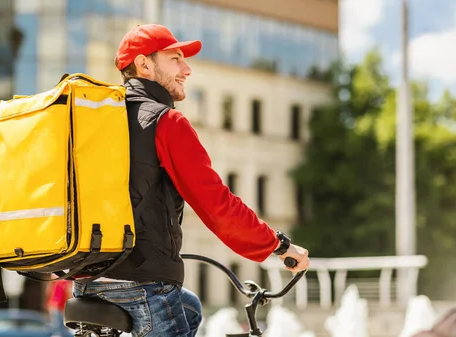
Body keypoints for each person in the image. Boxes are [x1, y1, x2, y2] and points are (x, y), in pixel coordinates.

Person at [73, 24, 310, 337]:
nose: (187, 69)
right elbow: (216, 203)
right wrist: (278, 245)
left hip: (86, 280)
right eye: (175, 59)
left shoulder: (94, 123)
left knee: (191, 307)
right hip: (142, 284)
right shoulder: (166, 122)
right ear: (144, 64)